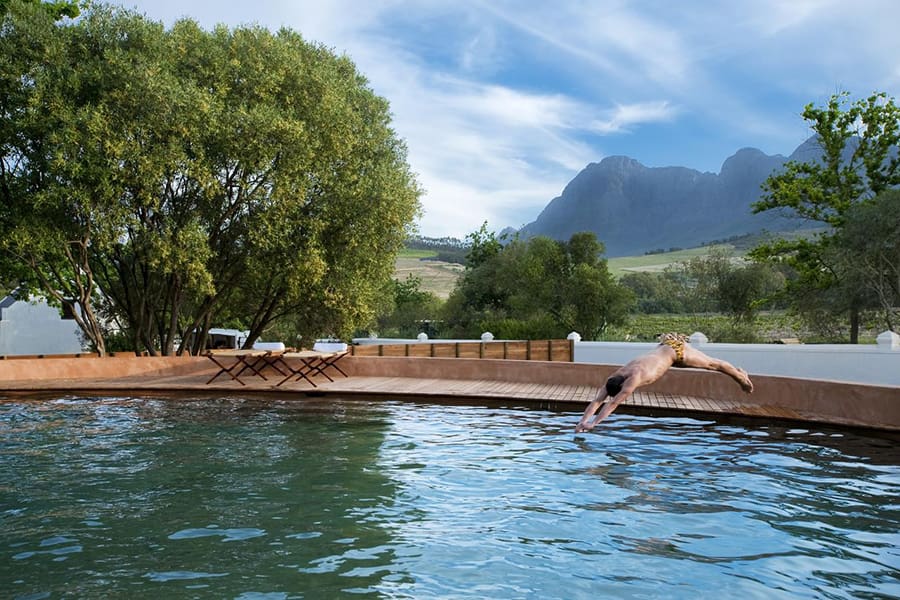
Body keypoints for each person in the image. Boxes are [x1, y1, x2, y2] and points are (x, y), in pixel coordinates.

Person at [575, 333, 754, 433]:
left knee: (713, 365)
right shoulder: (617, 375)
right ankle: (740, 376)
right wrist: (582, 422)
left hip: (676, 352)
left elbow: (613, 404)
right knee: (714, 364)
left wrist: (594, 424)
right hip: (665, 346)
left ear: (622, 386)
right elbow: (597, 401)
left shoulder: (634, 378)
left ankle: (742, 379)